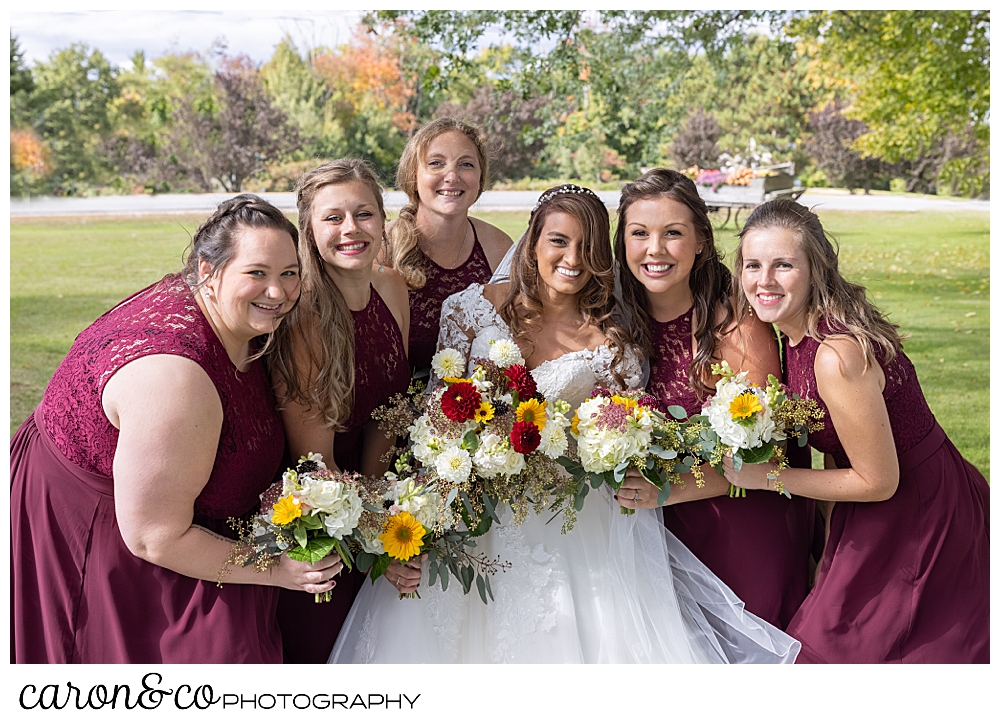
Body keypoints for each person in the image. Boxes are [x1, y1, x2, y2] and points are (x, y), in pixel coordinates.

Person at [328, 184, 800, 663]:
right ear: (532, 241)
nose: (573, 258)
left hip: (582, 520)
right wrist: (414, 524)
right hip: (476, 519)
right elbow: (436, 427)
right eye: (558, 240)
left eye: (589, 248)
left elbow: (629, 424)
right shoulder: (469, 312)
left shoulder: (615, 331)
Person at [11, 195, 344, 664]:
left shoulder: (213, 306)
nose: (278, 291)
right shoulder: (175, 380)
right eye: (257, 273)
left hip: (158, 508)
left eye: (289, 273)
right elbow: (154, 537)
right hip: (106, 533)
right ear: (207, 272)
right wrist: (277, 571)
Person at [723, 198, 989, 663]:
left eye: (783, 264)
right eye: (752, 265)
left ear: (815, 269)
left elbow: (878, 480)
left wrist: (763, 477)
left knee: (847, 654)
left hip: (918, 513)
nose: (763, 281)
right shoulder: (796, 335)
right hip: (873, 506)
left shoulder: (835, 354)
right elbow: (840, 446)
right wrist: (829, 547)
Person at [613, 169, 815, 629]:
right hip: (649, 536)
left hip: (738, 529)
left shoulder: (738, 326)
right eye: (639, 233)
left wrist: (668, 490)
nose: (655, 249)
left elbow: (767, 453)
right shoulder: (613, 324)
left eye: (673, 234)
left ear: (702, 240)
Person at [267, 159, 414, 664]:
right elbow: (317, 465)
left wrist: (399, 514)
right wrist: (380, 540)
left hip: (373, 494)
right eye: (333, 218)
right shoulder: (304, 317)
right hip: (324, 519)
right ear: (309, 229)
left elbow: (387, 416)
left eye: (364, 213)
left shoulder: (393, 287)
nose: (351, 229)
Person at [387, 117, 513, 376]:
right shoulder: (382, 246)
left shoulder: (498, 248)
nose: (452, 176)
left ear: (480, 177)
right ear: (413, 175)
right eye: (436, 163)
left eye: (466, 164)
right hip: (394, 403)